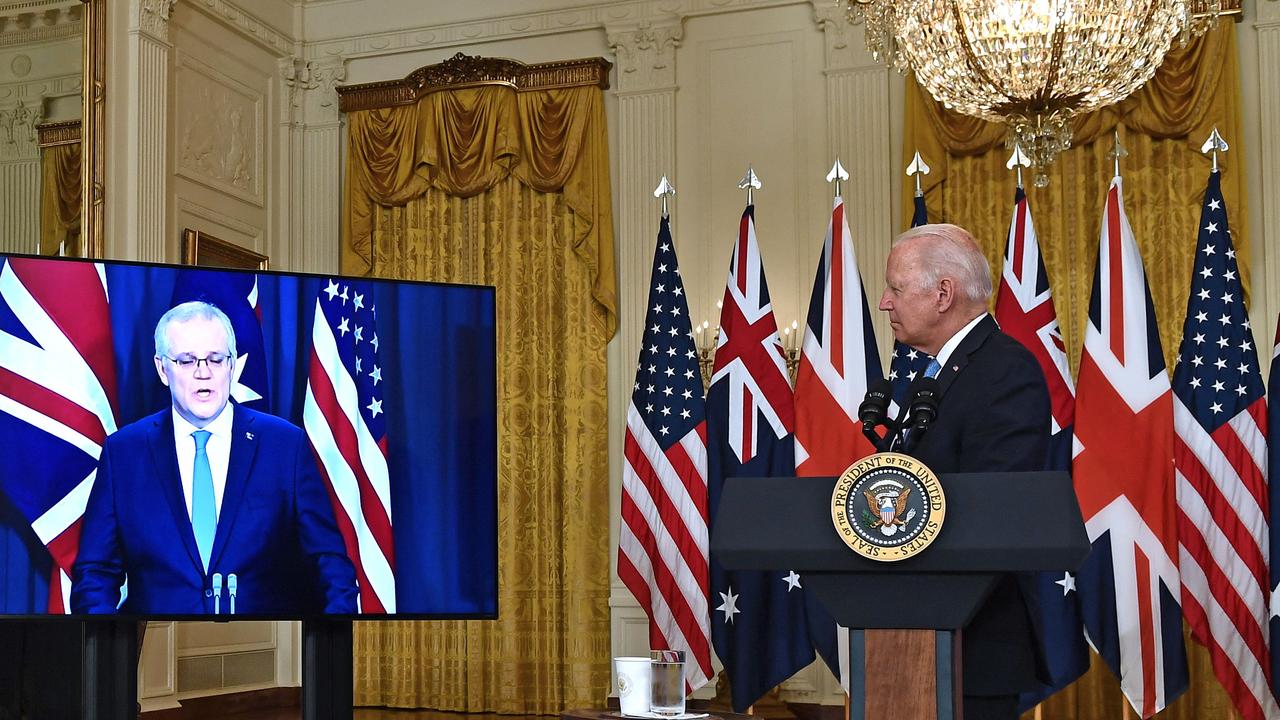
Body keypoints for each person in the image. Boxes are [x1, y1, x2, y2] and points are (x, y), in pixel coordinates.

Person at [71, 301, 358, 615]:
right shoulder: (124, 453)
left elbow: (331, 565)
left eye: (215, 359)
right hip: (156, 648)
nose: (203, 373)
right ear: (162, 368)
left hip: (266, 650)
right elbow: (95, 575)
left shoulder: (285, 446)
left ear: (232, 365)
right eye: (186, 361)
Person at [877, 223, 1052, 720]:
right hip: (914, 638)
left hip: (972, 645)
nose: (886, 302)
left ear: (943, 294)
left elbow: (992, 508)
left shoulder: (1004, 371)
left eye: (896, 287)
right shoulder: (936, 373)